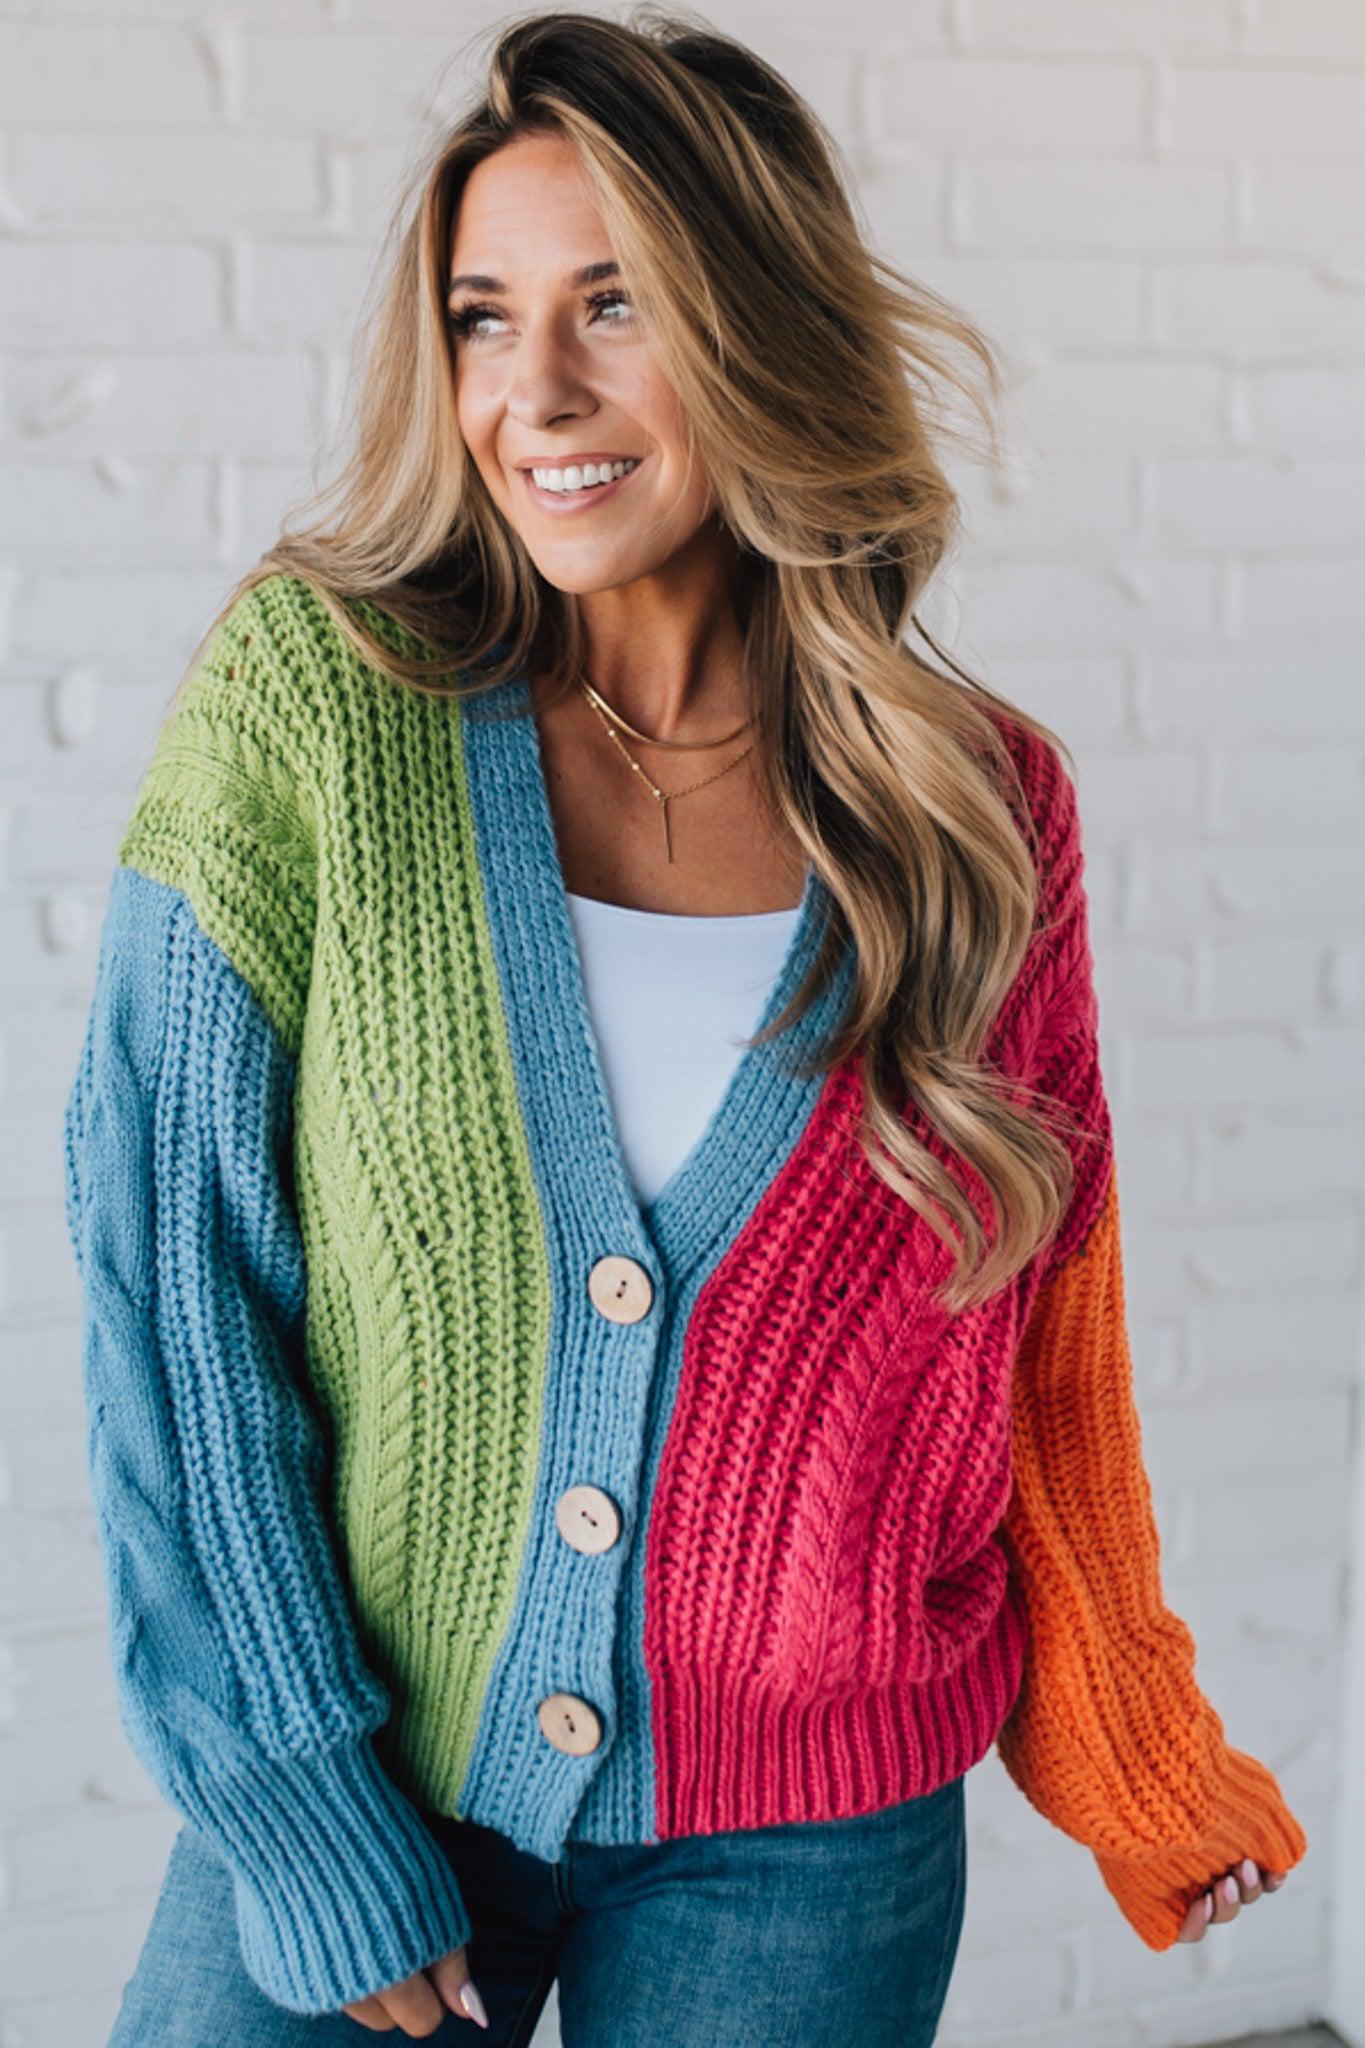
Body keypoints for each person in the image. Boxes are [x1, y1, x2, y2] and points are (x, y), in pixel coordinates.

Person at [61, 10, 1308, 2045]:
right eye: (480, 316)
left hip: (810, 1845)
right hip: (377, 1770)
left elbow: (1034, 1333)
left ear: (756, 327)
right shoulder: (323, 704)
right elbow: (175, 1276)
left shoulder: (972, 806)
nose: (528, 390)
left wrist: (1129, 1734)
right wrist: (291, 1796)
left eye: (611, 304)